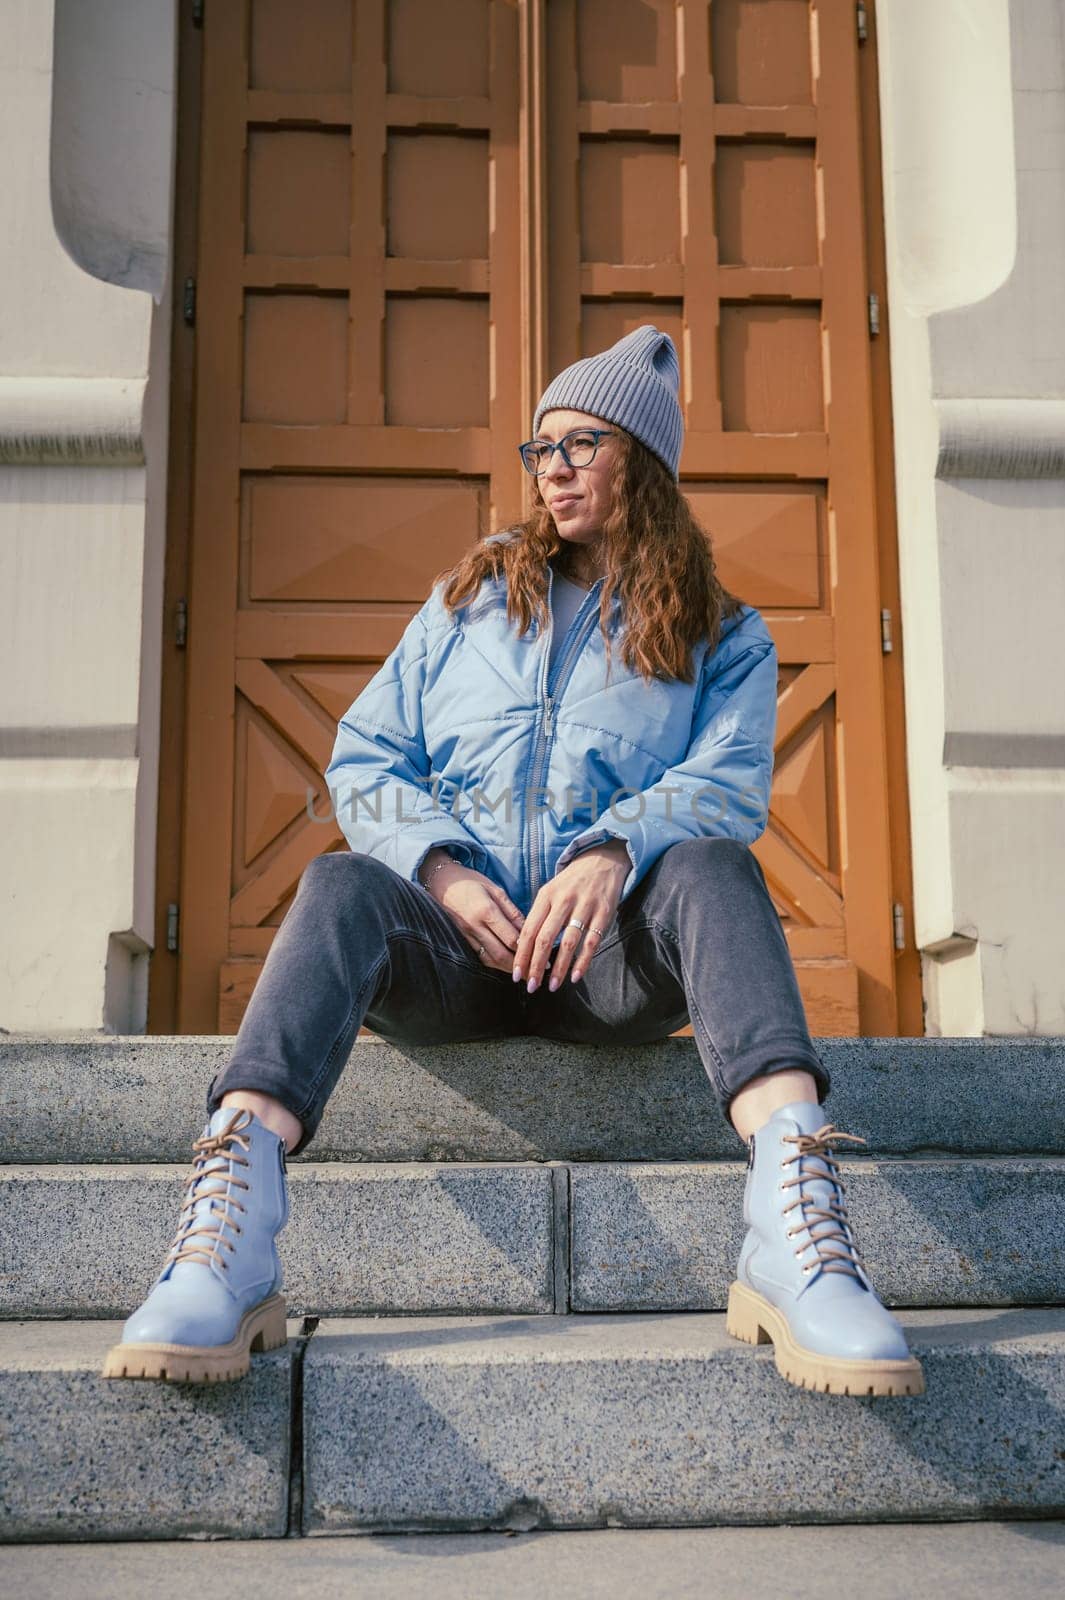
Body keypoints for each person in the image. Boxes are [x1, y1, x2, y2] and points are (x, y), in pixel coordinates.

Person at [103, 327, 924, 1398]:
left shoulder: (724, 635)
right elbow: (366, 757)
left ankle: (794, 1227)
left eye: (581, 441)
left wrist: (612, 851)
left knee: (716, 866)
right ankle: (229, 1231)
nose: (555, 467)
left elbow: (725, 781)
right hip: (460, 959)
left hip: (606, 965)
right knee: (343, 883)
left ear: (642, 454)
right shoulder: (468, 603)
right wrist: (440, 868)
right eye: (541, 448)